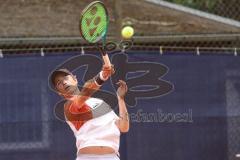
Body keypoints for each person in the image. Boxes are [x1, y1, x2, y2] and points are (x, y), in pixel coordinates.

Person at [49, 51, 129, 160]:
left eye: (66, 78)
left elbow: (123, 127)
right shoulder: (69, 107)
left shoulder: (101, 104)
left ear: (75, 79)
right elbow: (84, 94)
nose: (63, 82)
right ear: (60, 93)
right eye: (59, 83)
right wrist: (102, 75)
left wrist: (121, 99)